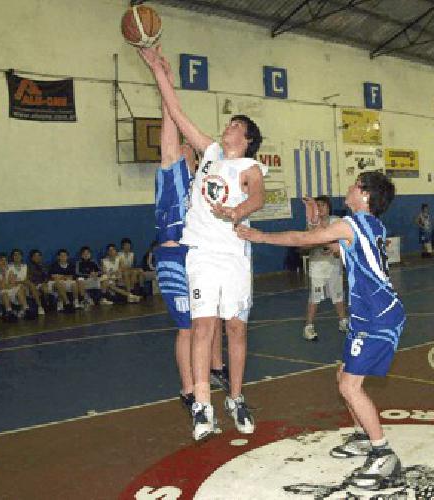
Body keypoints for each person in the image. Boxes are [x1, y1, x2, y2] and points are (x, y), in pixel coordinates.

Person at [237, 171, 405, 490]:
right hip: (368, 316)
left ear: (365, 195)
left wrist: (258, 236)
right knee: (342, 376)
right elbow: (334, 249)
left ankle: (384, 454)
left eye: (356, 184)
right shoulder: (369, 226)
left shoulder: (354, 223)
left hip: (379, 317)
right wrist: (318, 226)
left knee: (350, 387)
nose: (350, 186)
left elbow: (303, 242)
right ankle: (361, 437)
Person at [137, 45, 265, 441]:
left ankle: (237, 398)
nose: (227, 127)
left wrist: (239, 211)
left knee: (237, 332)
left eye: (234, 125)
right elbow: (175, 113)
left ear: (244, 139)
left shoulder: (249, 166)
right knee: (202, 326)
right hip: (202, 256)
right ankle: (203, 406)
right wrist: (158, 71)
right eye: (228, 123)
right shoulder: (208, 150)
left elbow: (258, 195)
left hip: (235, 255)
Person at [150, 83, 228, 418]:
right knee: (187, 327)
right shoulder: (171, 175)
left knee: (206, 322)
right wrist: (165, 87)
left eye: (187, 147)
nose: (181, 146)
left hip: (198, 258)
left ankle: (212, 370)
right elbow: (171, 137)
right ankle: (188, 389)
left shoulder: (203, 186)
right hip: (172, 259)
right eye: (180, 145)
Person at [300, 195, 349, 341]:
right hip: (318, 266)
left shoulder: (337, 222)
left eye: (323, 205)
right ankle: (308, 326)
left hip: (334, 264)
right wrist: (320, 244)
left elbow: (345, 240)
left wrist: (335, 247)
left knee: (338, 295)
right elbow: (304, 246)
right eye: (318, 205)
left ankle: (343, 322)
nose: (320, 208)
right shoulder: (312, 224)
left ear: (329, 207)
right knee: (315, 297)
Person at [0, 253, 25, 320]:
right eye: (1, 260)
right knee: (4, 293)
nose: (4, 262)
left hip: (5, 289)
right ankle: (8, 312)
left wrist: (9, 285)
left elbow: (13, 283)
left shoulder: (9, 271)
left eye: (5, 260)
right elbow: (0, 286)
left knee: (20, 288)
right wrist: (3, 275)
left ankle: (24, 309)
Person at [6, 249, 44, 316]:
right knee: (23, 287)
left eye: (19, 255)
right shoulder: (9, 267)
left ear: (21, 256)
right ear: (12, 257)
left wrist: (21, 282)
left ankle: (40, 307)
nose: (17, 256)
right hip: (13, 286)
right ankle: (23, 309)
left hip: (24, 285)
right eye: (15, 255)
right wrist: (20, 282)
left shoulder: (25, 266)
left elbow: (26, 279)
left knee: (31, 285)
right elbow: (10, 281)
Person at [25, 249, 50, 315]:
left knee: (45, 289)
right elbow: (28, 278)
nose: (37, 258)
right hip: (33, 284)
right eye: (35, 256)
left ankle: (46, 305)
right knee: (35, 290)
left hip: (42, 284)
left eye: (39, 256)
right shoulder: (28, 266)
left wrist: (45, 282)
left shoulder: (44, 265)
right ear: (32, 258)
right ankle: (40, 307)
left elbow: (47, 276)